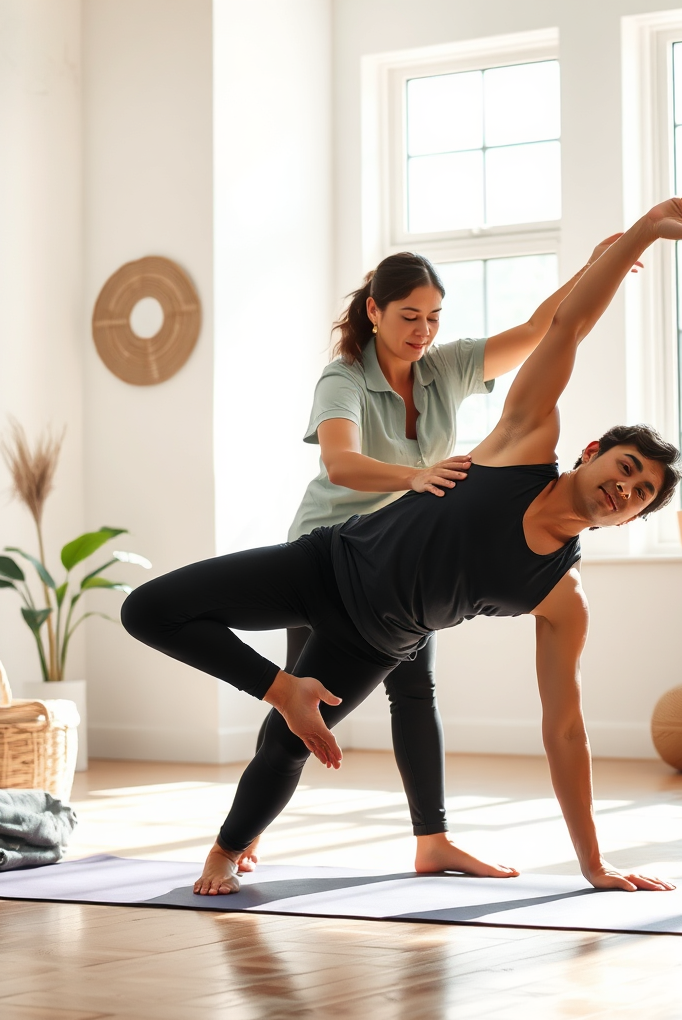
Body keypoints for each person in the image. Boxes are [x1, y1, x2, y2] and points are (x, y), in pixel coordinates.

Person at [121, 186, 682, 896]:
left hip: (378, 640)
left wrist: (594, 865)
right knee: (149, 610)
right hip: (326, 560)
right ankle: (284, 691)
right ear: (591, 451)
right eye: (625, 469)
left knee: (297, 742)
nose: (625, 490)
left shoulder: (564, 597)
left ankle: (232, 848)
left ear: (630, 522)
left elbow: (566, 730)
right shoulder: (522, 443)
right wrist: (642, 234)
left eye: (641, 495)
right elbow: (565, 328)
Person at [247, 243, 624, 882]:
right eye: (409, 317)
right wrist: (417, 475)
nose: (423, 332)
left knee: (415, 691)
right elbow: (340, 463)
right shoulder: (344, 379)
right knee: (300, 701)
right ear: (374, 312)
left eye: (434, 318)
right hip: (328, 552)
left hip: (403, 561)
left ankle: (434, 840)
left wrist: (598, 266)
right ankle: (247, 831)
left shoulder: (442, 369)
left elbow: (540, 332)